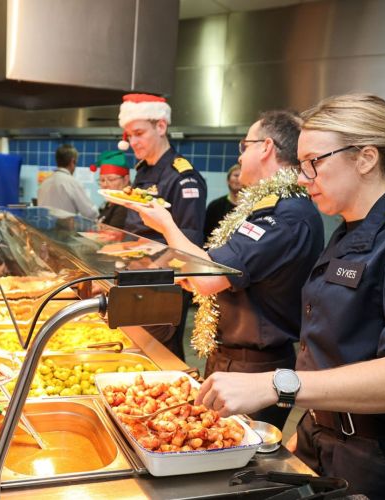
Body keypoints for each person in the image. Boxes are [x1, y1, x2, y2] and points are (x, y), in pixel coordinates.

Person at [196, 94, 385, 499]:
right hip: (326, 442)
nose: (303, 176)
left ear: (365, 158)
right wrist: (307, 435)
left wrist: (278, 384)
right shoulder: (347, 234)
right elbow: (336, 352)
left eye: (314, 162)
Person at [127, 110, 324, 429]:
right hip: (231, 356)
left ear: (266, 148)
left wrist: (165, 224)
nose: (241, 156)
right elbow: (227, 274)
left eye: (245, 146)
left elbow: (211, 277)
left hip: (256, 366)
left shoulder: (283, 214)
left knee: (236, 458)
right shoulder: (264, 206)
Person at [117, 93, 208, 359]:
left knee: (160, 358)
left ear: (160, 126)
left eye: (138, 133)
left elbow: (187, 247)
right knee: (135, 355)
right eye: (128, 136)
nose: (133, 142)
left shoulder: (183, 177)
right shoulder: (143, 171)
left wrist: (147, 270)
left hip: (161, 289)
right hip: (135, 282)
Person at [37, 144, 99, 220]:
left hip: (42, 230)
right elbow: (90, 213)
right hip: (64, 230)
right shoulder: (72, 183)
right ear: (73, 161)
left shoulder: (44, 182)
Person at [91, 150, 131, 228]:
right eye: (102, 180)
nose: (105, 185)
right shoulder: (109, 204)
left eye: (111, 179)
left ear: (126, 179)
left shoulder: (125, 207)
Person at [203, 163, 242, 239]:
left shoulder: (252, 207)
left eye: (241, 176)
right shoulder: (215, 206)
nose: (238, 178)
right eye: (236, 175)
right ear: (228, 180)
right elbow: (206, 233)